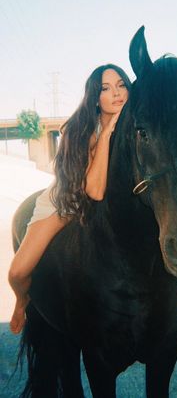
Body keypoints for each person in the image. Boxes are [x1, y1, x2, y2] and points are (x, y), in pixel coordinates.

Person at [8, 64, 131, 334]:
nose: (116, 93)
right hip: (65, 204)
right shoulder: (82, 128)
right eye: (106, 88)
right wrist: (108, 132)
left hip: (105, 208)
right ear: (95, 97)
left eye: (121, 85)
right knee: (16, 273)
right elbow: (95, 191)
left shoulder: (134, 123)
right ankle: (22, 301)